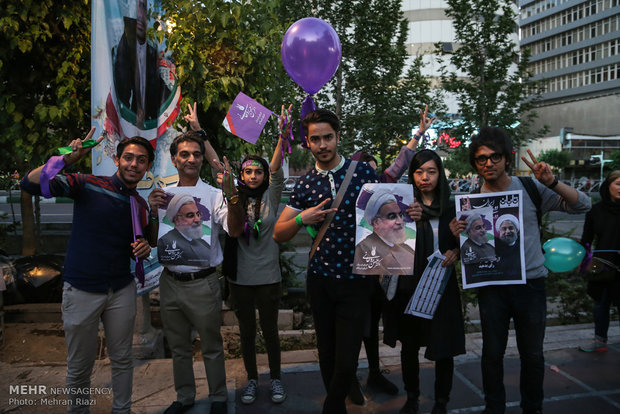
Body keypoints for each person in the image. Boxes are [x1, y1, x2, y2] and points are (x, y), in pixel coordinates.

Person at [450, 127, 591, 414]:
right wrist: (457, 234)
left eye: (495, 156)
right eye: (480, 159)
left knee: (533, 355)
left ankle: (532, 408)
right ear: (474, 164)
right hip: (491, 287)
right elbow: (470, 250)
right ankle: (494, 408)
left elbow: (583, 205)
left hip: (531, 285)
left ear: (507, 158)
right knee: (491, 354)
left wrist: (552, 183)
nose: (488, 163)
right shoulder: (471, 201)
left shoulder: (530, 188)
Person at [20, 130, 154, 413]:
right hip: (81, 290)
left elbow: (143, 242)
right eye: (128, 158)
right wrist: (62, 160)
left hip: (121, 289)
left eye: (141, 160)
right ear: (116, 159)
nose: (134, 164)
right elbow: (30, 184)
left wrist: (145, 248)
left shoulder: (139, 205)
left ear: (147, 167)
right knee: (80, 367)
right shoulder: (87, 183)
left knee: (122, 360)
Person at [273, 109, 382, 413]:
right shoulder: (306, 184)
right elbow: (279, 234)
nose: (322, 144)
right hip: (320, 279)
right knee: (326, 351)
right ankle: (339, 405)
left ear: (337, 136)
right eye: (315, 139)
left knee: (347, 357)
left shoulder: (362, 173)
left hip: (357, 279)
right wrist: (303, 219)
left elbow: (388, 214)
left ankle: (332, 407)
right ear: (307, 143)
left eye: (327, 137)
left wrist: (407, 215)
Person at [147, 126, 240, 414]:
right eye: (184, 154)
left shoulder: (213, 194)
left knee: (211, 346)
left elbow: (235, 230)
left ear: (201, 159)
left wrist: (233, 195)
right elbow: (152, 240)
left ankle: (219, 397)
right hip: (170, 281)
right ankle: (185, 396)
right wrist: (151, 212)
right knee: (178, 347)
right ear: (174, 159)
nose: (191, 158)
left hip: (203, 282)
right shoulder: (163, 196)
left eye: (196, 154)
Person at [348, 106, 436, 401]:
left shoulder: (381, 189)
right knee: (351, 328)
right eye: (364, 169)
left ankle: (374, 372)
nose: (370, 174)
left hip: (379, 272)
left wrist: (419, 134)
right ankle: (347, 378)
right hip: (349, 274)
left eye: (373, 169)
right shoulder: (346, 195)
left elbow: (400, 164)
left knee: (372, 325)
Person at [383, 149, 465, 414]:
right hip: (409, 285)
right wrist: (406, 219)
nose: (425, 177)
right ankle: (412, 397)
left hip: (441, 285)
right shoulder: (403, 206)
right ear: (412, 175)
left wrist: (457, 250)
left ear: (440, 174)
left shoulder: (453, 208)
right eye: (419, 172)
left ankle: (441, 402)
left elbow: (468, 242)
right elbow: (387, 243)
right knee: (409, 347)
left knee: (444, 347)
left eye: (431, 171)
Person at [223, 105, 289, 405]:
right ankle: (251, 379)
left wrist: (281, 136)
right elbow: (216, 165)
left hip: (268, 278)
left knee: (271, 332)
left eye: (257, 171)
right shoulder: (235, 197)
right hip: (240, 280)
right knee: (247, 334)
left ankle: (275, 379)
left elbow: (277, 170)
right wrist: (200, 132)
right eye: (248, 171)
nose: (253, 176)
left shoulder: (271, 197)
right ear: (242, 175)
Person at [579, 170, 620, 353]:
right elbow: (586, 240)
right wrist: (584, 261)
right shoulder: (596, 211)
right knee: (600, 306)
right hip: (602, 266)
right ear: (608, 185)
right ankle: (599, 341)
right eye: (618, 183)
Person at [113, 0, 171, 126]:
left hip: (151, 125)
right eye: (135, 7)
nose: (139, 14)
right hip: (129, 127)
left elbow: (159, 90)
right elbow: (122, 90)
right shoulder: (123, 45)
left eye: (143, 7)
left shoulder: (151, 52)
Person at [354, 189, 415, 275]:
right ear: (376, 223)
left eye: (400, 215)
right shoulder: (362, 250)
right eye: (392, 216)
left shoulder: (405, 248)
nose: (400, 221)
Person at [157, 194, 211, 267]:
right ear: (177, 219)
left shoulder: (201, 242)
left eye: (198, 214)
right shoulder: (165, 242)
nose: (197, 219)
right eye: (190, 215)